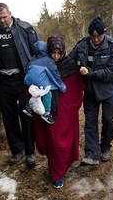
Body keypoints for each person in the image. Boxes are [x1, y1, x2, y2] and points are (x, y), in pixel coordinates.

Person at [0, 3, 39, 166]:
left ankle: (30, 152)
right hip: (4, 82)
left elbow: (36, 52)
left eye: (5, 17)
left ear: (10, 14)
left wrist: (38, 75)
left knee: (26, 114)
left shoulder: (24, 28)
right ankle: (17, 150)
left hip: (23, 80)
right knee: (9, 117)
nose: (2, 21)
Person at [69, 15, 113, 165]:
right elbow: (69, 61)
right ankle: (91, 154)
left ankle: (105, 146)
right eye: (93, 36)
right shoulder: (82, 45)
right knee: (90, 122)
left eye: (99, 36)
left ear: (103, 34)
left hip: (109, 90)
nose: (96, 39)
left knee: (108, 120)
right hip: (91, 91)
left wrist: (92, 74)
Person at [32, 35, 83, 189]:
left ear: (63, 52)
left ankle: (58, 174)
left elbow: (76, 86)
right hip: (49, 111)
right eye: (53, 53)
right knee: (52, 142)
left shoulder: (70, 66)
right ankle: (56, 172)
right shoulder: (42, 65)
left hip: (65, 111)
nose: (56, 56)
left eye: (58, 53)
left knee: (62, 142)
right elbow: (33, 82)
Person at [23, 41, 66, 124]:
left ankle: (28, 107)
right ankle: (46, 113)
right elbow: (55, 75)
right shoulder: (48, 61)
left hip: (28, 80)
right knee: (47, 92)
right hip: (40, 81)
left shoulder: (32, 59)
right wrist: (62, 87)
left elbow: (27, 69)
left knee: (36, 93)